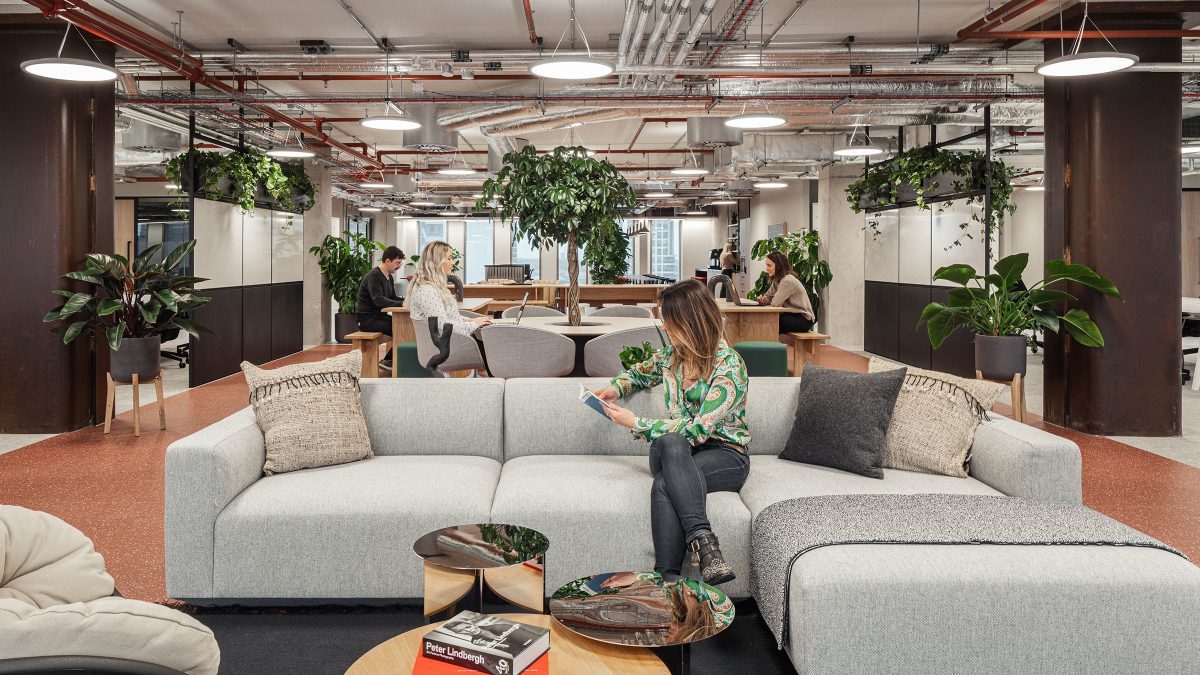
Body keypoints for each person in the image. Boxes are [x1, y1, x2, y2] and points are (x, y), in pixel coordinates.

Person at [593, 280, 750, 586]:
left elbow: (698, 429)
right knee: (672, 442)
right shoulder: (672, 356)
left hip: (725, 455)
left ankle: (667, 579)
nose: (663, 326)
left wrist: (635, 422)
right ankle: (705, 543)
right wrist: (616, 388)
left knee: (666, 482)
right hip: (674, 450)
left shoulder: (730, 366)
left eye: (669, 320)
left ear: (690, 321)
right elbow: (639, 374)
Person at [405, 240, 492, 366]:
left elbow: (446, 316)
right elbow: (443, 326)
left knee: (494, 347)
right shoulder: (427, 291)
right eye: (449, 258)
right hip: (446, 348)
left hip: (454, 342)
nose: (453, 262)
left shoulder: (434, 287)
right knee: (495, 351)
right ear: (437, 261)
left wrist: (470, 320)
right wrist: (473, 324)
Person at [356, 245, 405, 368]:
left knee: (404, 326)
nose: (399, 266)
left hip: (378, 317)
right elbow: (378, 300)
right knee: (401, 329)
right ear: (388, 260)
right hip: (367, 320)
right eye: (397, 263)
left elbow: (393, 298)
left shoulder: (389, 277)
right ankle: (388, 361)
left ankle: (389, 360)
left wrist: (407, 301)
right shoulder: (374, 276)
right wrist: (403, 304)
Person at [752, 251, 815, 334]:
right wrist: (763, 300)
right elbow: (768, 296)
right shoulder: (777, 280)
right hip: (792, 315)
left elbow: (775, 303)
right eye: (766, 265)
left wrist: (769, 300)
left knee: (768, 321)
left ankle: (764, 342)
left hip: (803, 319)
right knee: (766, 320)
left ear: (779, 266)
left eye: (769, 265)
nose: (766, 269)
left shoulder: (787, 280)